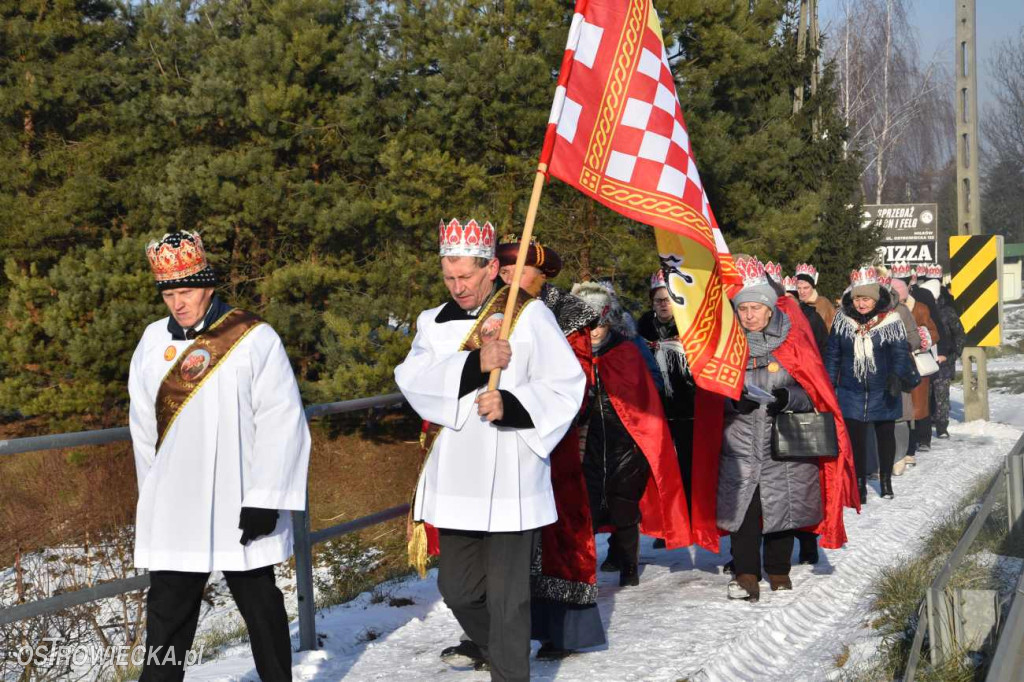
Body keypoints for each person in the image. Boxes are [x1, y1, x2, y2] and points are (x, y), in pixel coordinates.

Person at [395, 219, 585, 681]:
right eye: (449, 277)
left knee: (509, 598)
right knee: (458, 590)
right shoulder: (431, 323)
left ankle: (508, 668)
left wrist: (513, 404)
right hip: (457, 475)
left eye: (467, 277)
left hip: (512, 472)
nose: (458, 287)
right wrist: (474, 364)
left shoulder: (530, 315)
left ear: (493, 269)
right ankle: (499, 646)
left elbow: (567, 385)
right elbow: (412, 380)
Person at [129, 231, 311, 682]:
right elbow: (142, 427)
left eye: (186, 291)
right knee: (167, 620)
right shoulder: (152, 342)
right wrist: (151, 498)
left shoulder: (253, 337)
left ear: (208, 286)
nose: (178, 303)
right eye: (169, 294)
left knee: (262, 611)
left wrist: (266, 496)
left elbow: (281, 417)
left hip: (240, 498)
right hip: (177, 503)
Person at [715, 257, 856, 601]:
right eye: (743, 308)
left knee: (783, 506)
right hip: (741, 441)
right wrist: (733, 402)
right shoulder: (726, 346)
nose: (748, 315)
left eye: (755, 308)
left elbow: (815, 392)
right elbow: (709, 395)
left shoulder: (793, 341)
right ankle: (746, 574)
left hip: (785, 441)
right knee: (743, 510)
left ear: (768, 310)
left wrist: (787, 397)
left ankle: (778, 570)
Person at [494, 236, 606, 660]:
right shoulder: (488, 312)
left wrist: (531, 407)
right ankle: (492, 629)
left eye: (517, 272)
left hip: (549, 440)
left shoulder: (567, 316)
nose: (508, 279)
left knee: (559, 537)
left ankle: (563, 630)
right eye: (502, 272)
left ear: (541, 277)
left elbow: (576, 380)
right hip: (495, 439)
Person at [572, 281, 690, 587]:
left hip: (627, 442)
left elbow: (648, 387)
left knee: (624, 506)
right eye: (586, 324)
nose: (593, 330)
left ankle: (628, 565)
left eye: (597, 323)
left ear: (608, 319)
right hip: (587, 443)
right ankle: (583, 570)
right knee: (587, 507)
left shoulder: (626, 350)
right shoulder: (572, 352)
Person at [826, 267, 920, 502]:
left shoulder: (891, 320)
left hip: (883, 388)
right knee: (856, 440)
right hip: (851, 389)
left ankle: (886, 480)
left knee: (885, 436)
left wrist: (896, 377)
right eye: (857, 298)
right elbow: (833, 355)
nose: (861, 304)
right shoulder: (842, 321)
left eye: (866, 298)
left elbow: (900, 353)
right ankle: (859, 485)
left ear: (876, 298)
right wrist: (828, 384)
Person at [637, 270, 697, 524]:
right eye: (658, 300)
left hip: (688, 407)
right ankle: (668, 520)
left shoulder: (688, 325)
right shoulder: (643, 326)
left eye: (667, 299)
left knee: (687, 464)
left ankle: (692, 516)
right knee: (661, 467)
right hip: (656, 408)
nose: (663, 304)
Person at [895, 265, 942, 457]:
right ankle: (908, 445)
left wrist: (923, 338)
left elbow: (934, 331)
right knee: (904, 404)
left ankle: (923, 438)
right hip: (899, 363)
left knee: (920, 403)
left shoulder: (920, 308)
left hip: (917, 361)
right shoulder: (889, 311)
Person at [919, 265, 966, 439]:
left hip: (943, 360)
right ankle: (925, 426)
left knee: (941, 395)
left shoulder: (947, 311)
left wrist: (954, 355)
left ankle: (941, 426)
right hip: (924, 358)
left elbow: (960, 334)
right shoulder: (920, 308)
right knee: (925, 394)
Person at [885, 272, 922, 476]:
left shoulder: (901, 310)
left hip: (898, 368)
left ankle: (899, 456)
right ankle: (882, 460)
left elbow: (914, 337)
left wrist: (903, 346)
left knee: (899, 414)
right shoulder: (864, 312)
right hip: (875, 370)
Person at [795, 263, 837, 331]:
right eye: (799, 288)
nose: (802, 292)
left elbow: (834, 329)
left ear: (812, 287)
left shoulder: (824, 304)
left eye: (806, 288)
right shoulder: (793, 304)